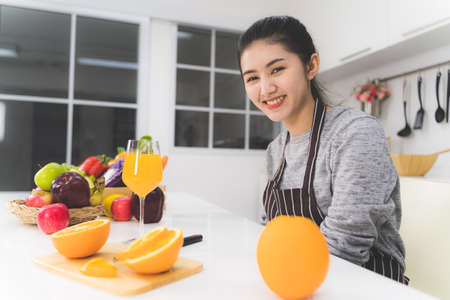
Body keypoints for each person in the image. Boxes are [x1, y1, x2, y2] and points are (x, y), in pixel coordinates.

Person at [237, 16, 409, 285]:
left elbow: (345, 245)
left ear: (311, 66)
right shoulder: (276, 150)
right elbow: (272, 231)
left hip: (366, 286)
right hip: (299, 282)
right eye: (252, 78)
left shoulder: (355, 133)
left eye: (277, 69)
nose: (265, 88)